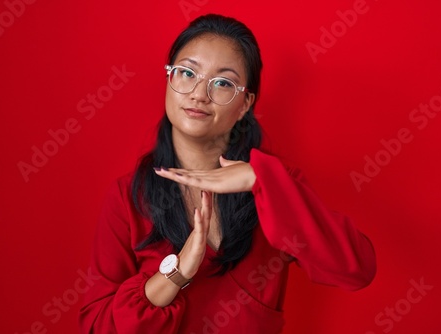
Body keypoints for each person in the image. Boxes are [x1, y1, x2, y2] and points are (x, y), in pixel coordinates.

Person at [78, 13, 376, 333]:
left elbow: (355, 270)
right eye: (187, 73)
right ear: (169, 79)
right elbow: (96, 327)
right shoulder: (129, 197)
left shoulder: (275, 185)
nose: (199, 94)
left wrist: (260, 181)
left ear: (245, 103)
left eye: (222, 82)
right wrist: (176, 275)